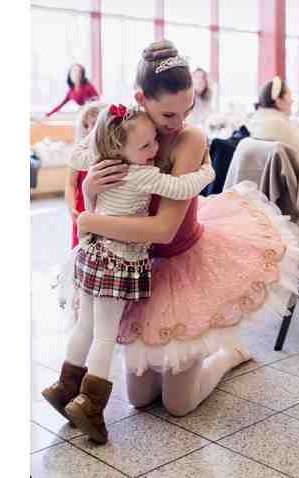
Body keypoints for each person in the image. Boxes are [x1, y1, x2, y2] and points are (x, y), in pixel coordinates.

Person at [72, 40, 299, 419]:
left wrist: (90, 220)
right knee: (139, 399)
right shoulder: (126, 129)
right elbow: (94, 183)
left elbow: (164, 230)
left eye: (186, 111)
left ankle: (229, 354)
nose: (178, 122)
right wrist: (89, 191)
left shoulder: (190, 138)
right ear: (141, 99)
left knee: (178, 404)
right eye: (168, 114)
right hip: (137, 264)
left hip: (184, 259)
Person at [44, 103, 215, 444]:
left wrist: (98, 141)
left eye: (154, 142)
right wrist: (207, 169)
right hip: (117, 262)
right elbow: (182, 188)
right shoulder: (142, 174)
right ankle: (90, 404)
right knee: (105, 336)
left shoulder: (100, 160)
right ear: (121, 148)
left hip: (90, 254)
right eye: (146, 145)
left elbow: (77, 154)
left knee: (85, 326)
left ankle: (65, 387)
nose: (155, 150)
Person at [247, 76, 299, 170]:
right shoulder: (277, 123)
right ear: (278, 101)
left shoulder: (257, 120)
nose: (292, 101)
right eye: (289, 96)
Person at [65, 101, 107, 249]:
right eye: (85, 125)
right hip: (82, 212)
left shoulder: (111, 154)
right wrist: (71, 208)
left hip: (104, 213)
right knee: (81, 250)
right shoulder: (79, 154)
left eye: (94, 124)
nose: (89, 130)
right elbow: (70, 184)